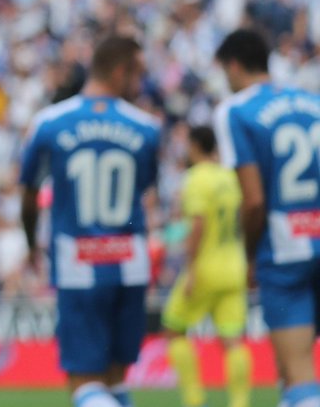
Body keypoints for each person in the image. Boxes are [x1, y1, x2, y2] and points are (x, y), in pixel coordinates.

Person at [20, 35, 161, 407]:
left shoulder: (49, 123)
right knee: (115, 380)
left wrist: (31, 242)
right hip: (129, 264)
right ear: (119, 71)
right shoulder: (146, 127)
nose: (141, 83)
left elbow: (29, 194)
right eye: (138, 74)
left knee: (85, 383)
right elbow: (145, 188)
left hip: (78, 263)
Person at [215, 27, 320, 407]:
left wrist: (248, 257)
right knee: (290, 377)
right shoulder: (313, 103)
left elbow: (254, 201)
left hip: (285, 253)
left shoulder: (236, 111)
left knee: (297, 371)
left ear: (234, 66)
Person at [161, 124, 251, 407]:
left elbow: (197, 225)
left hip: (205, 269)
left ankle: (194, 399)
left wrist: (190, 269)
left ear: (195, 146)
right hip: (234, 266)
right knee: (233, 340)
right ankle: (239, 402)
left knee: (173, 328)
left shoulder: (196, 179)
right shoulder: (230, 177)